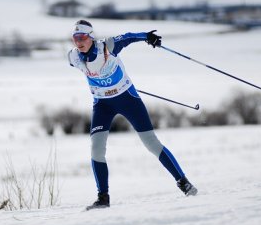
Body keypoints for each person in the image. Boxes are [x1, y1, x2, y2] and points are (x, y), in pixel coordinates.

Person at [67, 19, 197, 210]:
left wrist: (147, 37)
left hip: (127, 99)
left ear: (91, 37)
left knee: (151, 143)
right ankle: (103, 198)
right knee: (96, 148)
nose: (78, 41)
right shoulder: (73, 57)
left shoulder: (107, 46)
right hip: (102, 105)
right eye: (75, 37)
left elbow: (127, 38)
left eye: (82, 37)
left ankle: (184, 182)